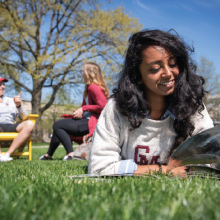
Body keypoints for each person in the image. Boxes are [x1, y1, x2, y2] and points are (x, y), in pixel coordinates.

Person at [88, 29, 214, 176]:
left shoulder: (193, 106)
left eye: (173, 64)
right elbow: (99, 168)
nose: (168, 73)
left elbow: (211, 161)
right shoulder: (117, 108)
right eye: (155, 68)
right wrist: (166, 171)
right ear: (138, 75)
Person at [39, 62, 110, 161]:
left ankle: (70, 154)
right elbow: (87, 108)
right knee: (59, 125)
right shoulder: (88, 88)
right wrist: (78, 112)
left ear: (89, 73)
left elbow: (104, 107)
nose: (81, 73)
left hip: (92, 123)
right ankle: (48, 155)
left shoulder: (94, 87)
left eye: (82, 71)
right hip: (85, 120)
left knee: (58, 125)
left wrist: (84, 109)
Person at [0, 77, 35, 162]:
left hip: (11, 125)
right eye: (0, 85)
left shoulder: (11, 100)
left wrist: (19, 106)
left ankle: (7, 155)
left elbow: (24, 117)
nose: (3, 87)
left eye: (3, 85)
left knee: (30, 124)